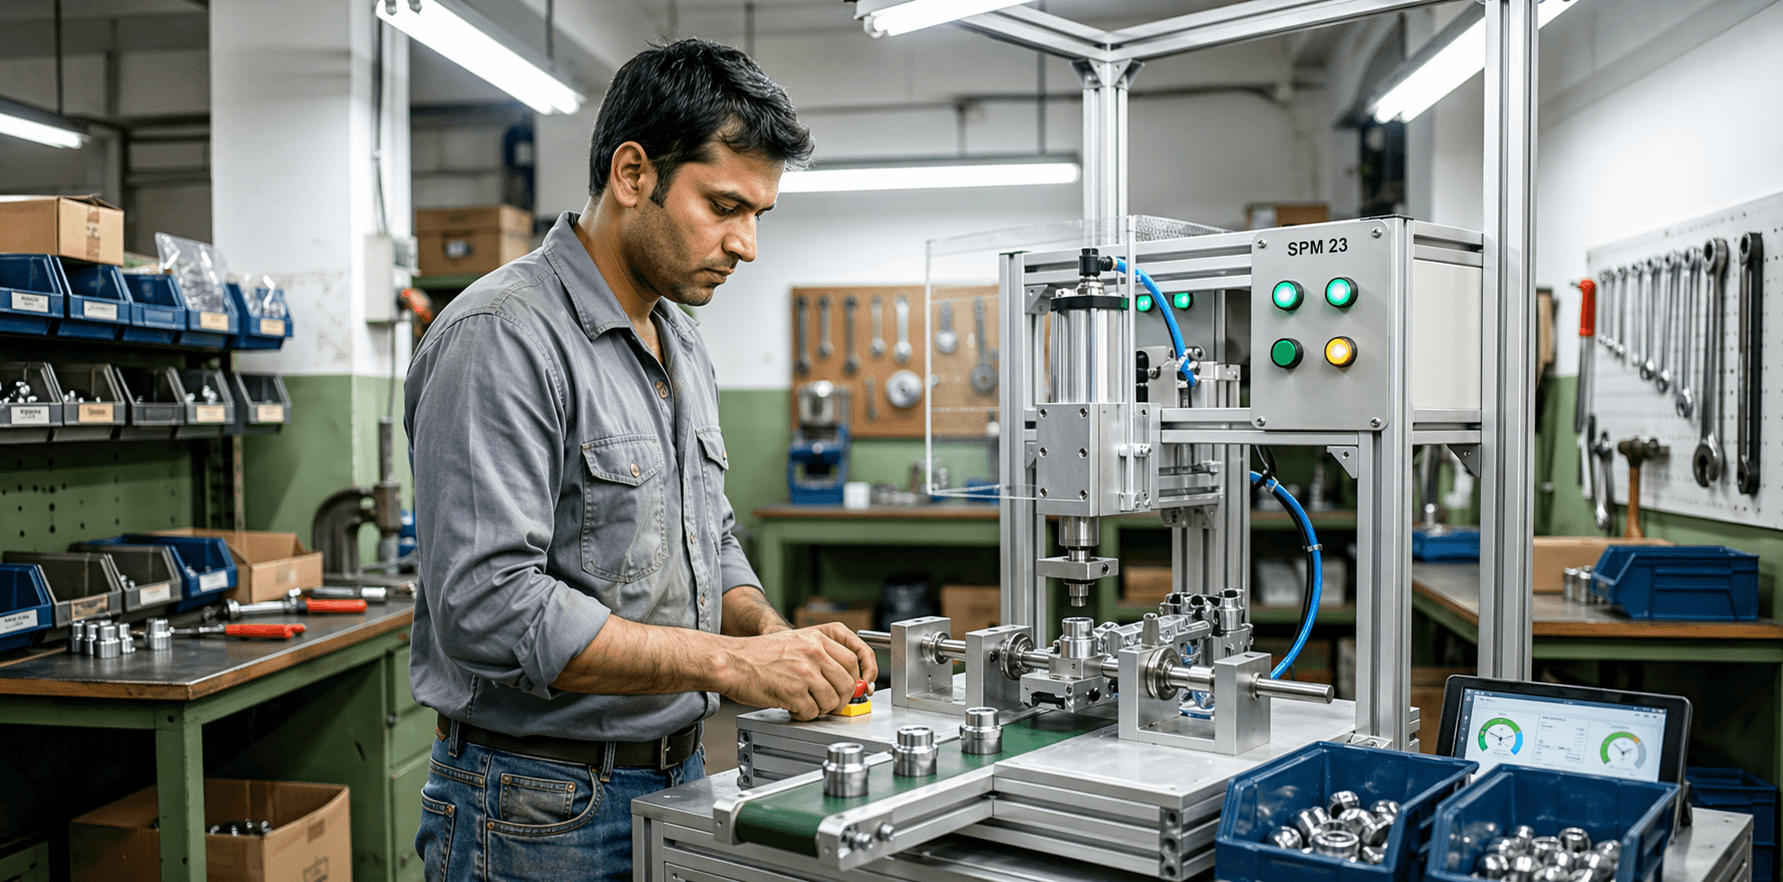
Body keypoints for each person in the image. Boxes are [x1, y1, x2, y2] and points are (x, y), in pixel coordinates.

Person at [406, 39, 877, 882]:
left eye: (758, 216)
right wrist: (734, 665)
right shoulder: (503, 337)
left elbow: (709, 540)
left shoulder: (680, 341)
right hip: (535, 807)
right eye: (725, 205)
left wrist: (775, 640)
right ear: (632, 174)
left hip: (678, 776)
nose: (746, 245)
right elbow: (485, 606)